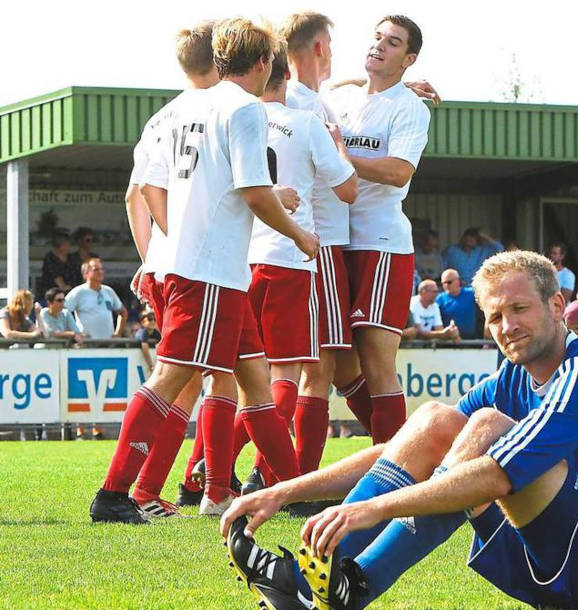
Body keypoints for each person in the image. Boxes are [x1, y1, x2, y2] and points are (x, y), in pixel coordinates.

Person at [222, 250, 578, 610]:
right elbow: (402, 448)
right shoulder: (515, 376)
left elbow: (495, 476)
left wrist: (374, 509)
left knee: (485, 427)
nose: (506, 327)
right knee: (434, 419)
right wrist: (283, 492)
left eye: (519, 309)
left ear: (557, 306)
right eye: (494, 317)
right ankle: (305, 582)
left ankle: (356, 585)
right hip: (559, 556)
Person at [89, 17, 318, 524]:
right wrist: (300, 233)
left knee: (252, 381)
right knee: (174, 376)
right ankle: (115, 493)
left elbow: (146, 189)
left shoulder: (182, 109)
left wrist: (173, 237)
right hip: (211, 268)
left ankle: (292, 491)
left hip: (204, 266)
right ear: (263, 64)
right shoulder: (243, 109)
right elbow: (255, 192)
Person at [235, 40, 358, 489]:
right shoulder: (305, 123)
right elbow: (347, 190)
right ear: (285, 76)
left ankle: (207, 474)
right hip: (291, 258)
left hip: (240, 262)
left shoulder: (235, 120)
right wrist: (340, 148)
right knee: (294, 373)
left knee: (244, 378)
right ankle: (271, 475)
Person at [323, 15, 432, 443]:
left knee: (375, 361)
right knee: (340, 365)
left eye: (393, 43)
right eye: (377, 38)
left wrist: (342, 156)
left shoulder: (410, 108)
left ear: (409, 58)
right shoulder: (340, 98)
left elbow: (399, 171)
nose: (379, 46)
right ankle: (400, 453)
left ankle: (394, 467)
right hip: (335, 242)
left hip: (380, 244)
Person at [125, 21, 219, 514]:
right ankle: (141, 489)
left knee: (186, 378)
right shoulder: (220, 109)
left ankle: (150, 488)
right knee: (184, 380)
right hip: (199, 265)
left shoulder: (161, 118)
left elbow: (136, 192)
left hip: (164, 265)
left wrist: (151, 256)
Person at [64, 259, 127, 339]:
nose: (100, 272)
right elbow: (62, 313)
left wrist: (118, 334)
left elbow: (123, 312)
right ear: (85, 274)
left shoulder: (108, 291)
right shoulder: (78, 292)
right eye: (96, 270)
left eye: (101, 269)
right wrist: (74, 333)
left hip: (108, 344)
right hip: (86, 345)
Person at [436, 268, 479, 338]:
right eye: (444, 283)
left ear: (458, 281)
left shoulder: (471, 294)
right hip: (449, 342)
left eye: (449, 282)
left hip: (471, 341)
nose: (446, 285)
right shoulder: (439, 299)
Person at [39, 232, 78, 297]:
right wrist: (65, 288)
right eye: (67, 244)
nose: (69, 246)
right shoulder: (50, 258)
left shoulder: (71, 258)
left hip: (71, 293)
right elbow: (56, 277)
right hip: (52, 295)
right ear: (60, 245)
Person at [134, 309, 161, 375]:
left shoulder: (155, 332)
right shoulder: (143, 332)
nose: (153, 321)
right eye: (149, 319)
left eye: (154, 319)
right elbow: (145, 347)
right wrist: (150, 365)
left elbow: (161, 343)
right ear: (142, 322)